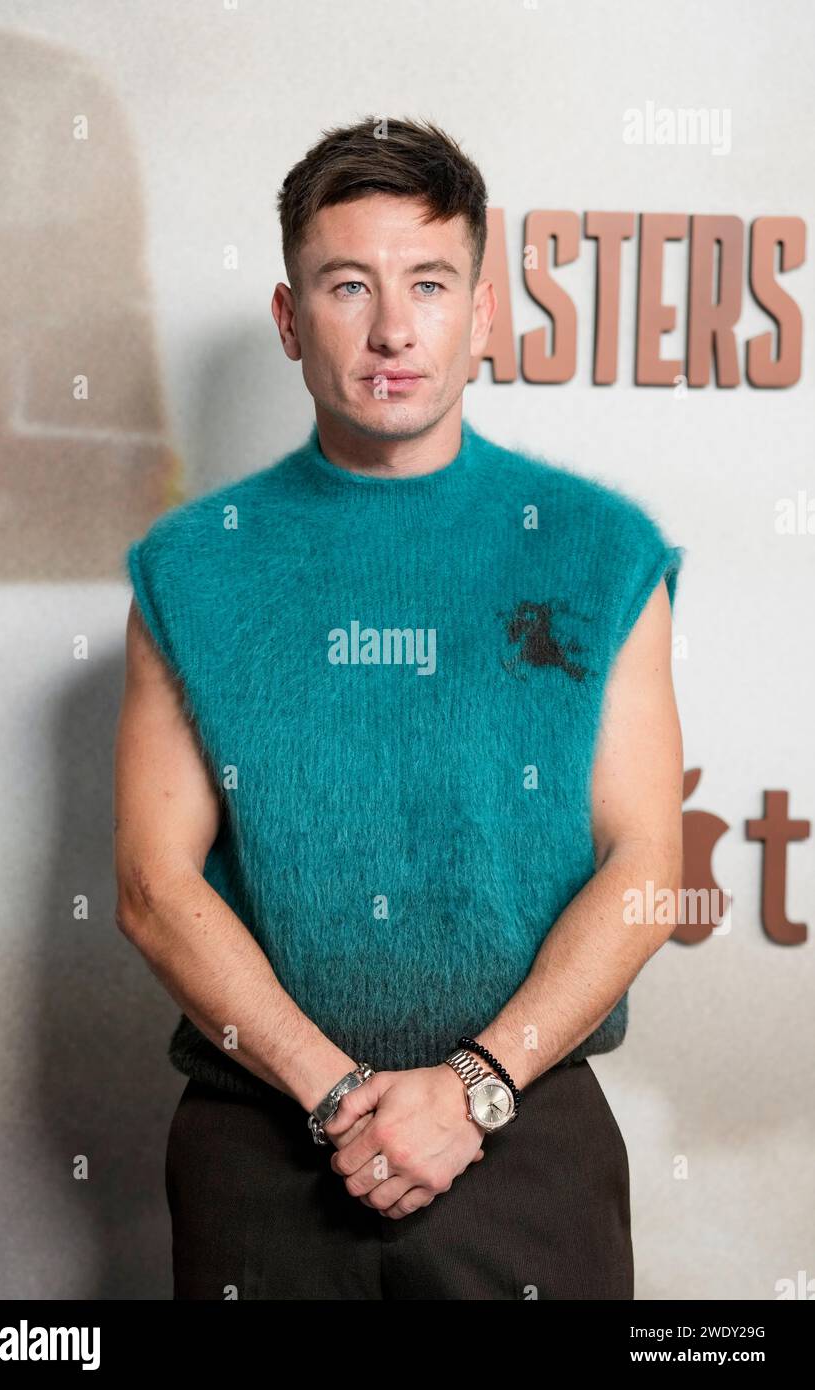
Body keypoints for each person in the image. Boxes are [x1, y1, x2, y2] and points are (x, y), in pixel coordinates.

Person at [113, 116, 685, 1300]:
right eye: (345, 285)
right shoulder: (191, 566)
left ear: (479, 315)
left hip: (528, 1138)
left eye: (428, 283)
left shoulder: (599, 550)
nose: (389, 328)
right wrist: (334, 1095)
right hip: (259, 1148)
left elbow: (645, 861)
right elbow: (152, 889)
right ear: (288, 318)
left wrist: (475, 1086)